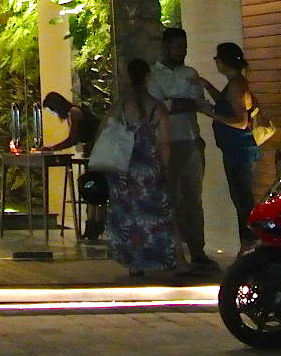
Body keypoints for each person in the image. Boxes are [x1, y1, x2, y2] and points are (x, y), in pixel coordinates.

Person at [147, 25, 215, 273]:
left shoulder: (190, 73)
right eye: (177, 47)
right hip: (167, 142)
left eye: (184, 47)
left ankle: (198, 250)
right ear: (165, 47)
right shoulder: (154, 75)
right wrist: (184, 103)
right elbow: (161, 107)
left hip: (191, 140)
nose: (182, 52)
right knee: (171, 198)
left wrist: (178, 102)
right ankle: (173, 252)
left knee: (193, 198)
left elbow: (198, 103)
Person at [106, 57, 179, 278]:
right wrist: (164, 167)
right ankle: (156, 258)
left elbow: (106, 130)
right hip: (148, 165)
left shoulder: (121, 105)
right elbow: (165, 142)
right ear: (148, 77)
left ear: (128, 77)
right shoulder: (157, 107)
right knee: (154, 212)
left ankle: (132, 262)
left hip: (124, 165)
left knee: (127, 212)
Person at [199, 42, 261, 249]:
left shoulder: (236, 85)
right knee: (241, 198)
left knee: (242, 200)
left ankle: (249, 243)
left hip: (239, 150)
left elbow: (241, 121)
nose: (216, 61)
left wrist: (211, 114)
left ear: (224, 61)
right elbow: (226, 102)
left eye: (217, 58)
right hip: (236, 149)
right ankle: (248, 243)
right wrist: (207, 86)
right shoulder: (235, 83)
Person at [40, 91, 104, 240]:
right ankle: (93, 224)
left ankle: (95, 224)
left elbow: (72, 139)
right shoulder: (75, 112)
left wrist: (53, 148)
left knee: (92, 189)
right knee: (92, 189)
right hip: (94, 150)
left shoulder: (74, 113)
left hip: (97, 151)